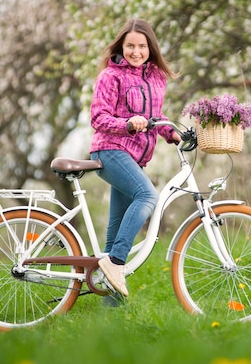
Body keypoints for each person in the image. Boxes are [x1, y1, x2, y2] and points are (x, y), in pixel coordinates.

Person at [89, 18, 180, 299]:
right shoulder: (110, 76)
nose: (136, 52)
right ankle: (116, 263)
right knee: (147, 196)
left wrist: (172, 132)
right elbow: (98, 117)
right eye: (130, 46)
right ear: (122, 46)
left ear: (150, 48)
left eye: (142, 46)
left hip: (134, 159)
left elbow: (155, 117)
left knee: (115, 235)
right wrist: (127, 124)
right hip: (110, 150)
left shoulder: (156, 78)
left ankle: (109, 316)